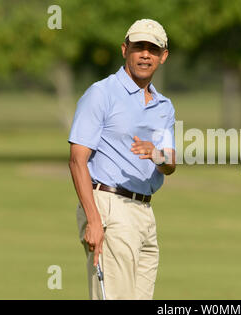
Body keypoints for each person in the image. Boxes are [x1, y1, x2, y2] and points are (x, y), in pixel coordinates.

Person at [68, 18, 176, 300]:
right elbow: (77, 160)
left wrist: (156, 154)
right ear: (124, 49)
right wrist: (93, 220)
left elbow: (170, 164)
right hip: (108, 207)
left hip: (145, 213)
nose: (144, 54)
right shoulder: (101, 94)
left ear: (162, 56)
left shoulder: (164, 106)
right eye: (138, 46)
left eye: (152, 49)